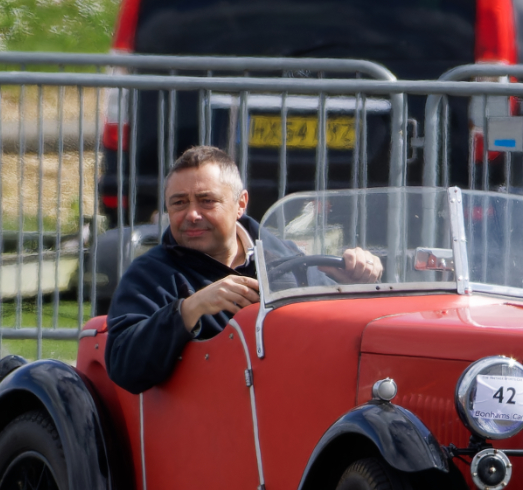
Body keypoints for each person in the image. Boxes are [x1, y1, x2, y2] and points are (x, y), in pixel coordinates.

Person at [103, 146, 381, 394]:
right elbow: (123, 365)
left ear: (241, 204)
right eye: (179, 203)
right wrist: (188, 310)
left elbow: (337, 339)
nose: (192, 214)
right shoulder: (150, 274)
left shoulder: (290, 260)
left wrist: (356, 283)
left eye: (206, 200)